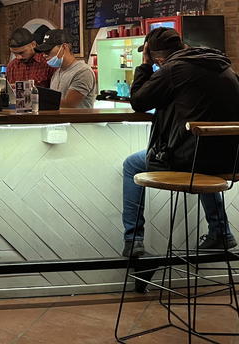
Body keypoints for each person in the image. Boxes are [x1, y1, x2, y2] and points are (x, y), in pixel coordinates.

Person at [121, 27, 239, 257]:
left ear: (157, 58)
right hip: (231, 160)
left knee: (132, 164)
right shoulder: (223, 65)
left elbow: (138, 101)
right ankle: (220, 231)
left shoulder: (173, 69)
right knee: (202, 161)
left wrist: (144, 66)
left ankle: (133, 242)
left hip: (192, 161)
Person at [35, 29, 97, 108]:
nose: (44, 55)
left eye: (48, 51)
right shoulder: (57, 72)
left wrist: (36, 99)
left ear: (64, 47)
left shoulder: (83, 72)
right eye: (43, 52)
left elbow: (69, 105)